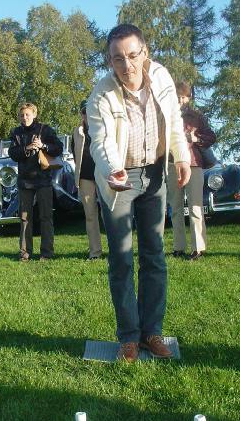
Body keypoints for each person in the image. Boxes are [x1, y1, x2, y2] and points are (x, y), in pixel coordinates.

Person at [87, 24, 190, 362]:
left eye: (132, 55)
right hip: (119, 178)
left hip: (155, 173)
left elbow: (174, 120)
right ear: (109, 60)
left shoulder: (161, 77)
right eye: (118, 58)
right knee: (121, 258)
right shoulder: (101, 94)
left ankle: (151, 333)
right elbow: (101, 141)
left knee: (154, 255)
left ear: (145, 53)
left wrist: (181, 156)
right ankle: (129, 338)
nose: (127, 65)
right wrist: (113, 169)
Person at [167, 81, 216, 261]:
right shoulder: (166, 115)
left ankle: (198, 248)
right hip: (172, 164)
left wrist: (196, 138)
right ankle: (178, 247)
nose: (180, 100)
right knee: (176, 208)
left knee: (195, 207)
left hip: (194, 164)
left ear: (189, 98)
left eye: (183, 97)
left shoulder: (197, 117)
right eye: (177, 97)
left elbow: (211, 137)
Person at [8, 103, 63, 261]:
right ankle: (25, 253)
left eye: (27, 114)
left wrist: (43, 145)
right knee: (25, 218)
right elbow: (12, 153)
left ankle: (47, 253)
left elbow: (59, 148)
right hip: (24, 181)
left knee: (46, 217)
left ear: (34, 114)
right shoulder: (16, 133)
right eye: (22, 115)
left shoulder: (45, 130)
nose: (24, 118)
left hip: (43, 180)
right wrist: (27, 148)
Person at [71, 99, 103, 260]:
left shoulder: (103, 127)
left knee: (109, 215)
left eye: (90, 110)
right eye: (84, 111)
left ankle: (116, 250)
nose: (87, 114)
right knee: (90, 215)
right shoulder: (76, 132)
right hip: (85, 177)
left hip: (103, 175)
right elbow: (75, 156)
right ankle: (95, 252)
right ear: (81, 114)